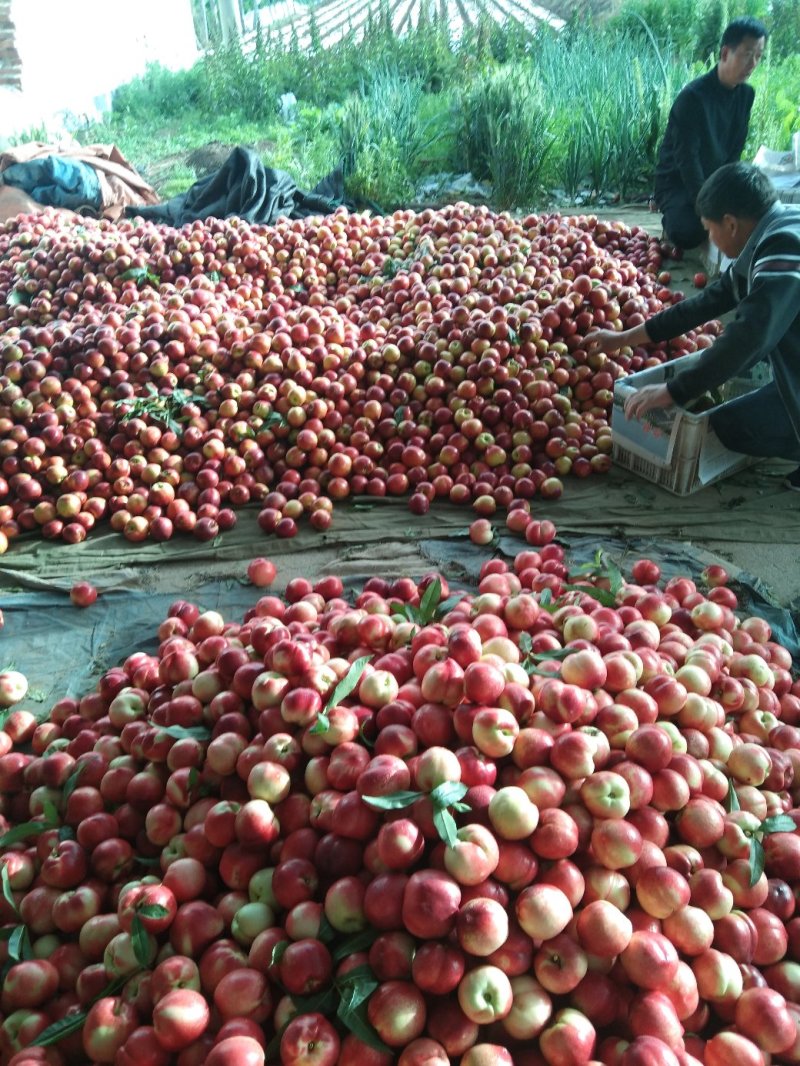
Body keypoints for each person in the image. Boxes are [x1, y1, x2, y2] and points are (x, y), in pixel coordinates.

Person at [591, 162, 800, 491]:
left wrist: (674, 390)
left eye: (708, 229)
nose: (709, 238)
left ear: (730, 224)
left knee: (732, 426)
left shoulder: (783, 249)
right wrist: (621, 338)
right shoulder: (778, 228)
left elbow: (748, 339)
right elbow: (705, 304)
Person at [654, 16, 768, 250]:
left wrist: (728, 192)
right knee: (689, 232)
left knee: (756, 216)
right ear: (726, 52)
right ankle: (668, 216)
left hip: (716, 180)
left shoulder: (746, 95)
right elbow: (687, 161)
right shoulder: (692, 98)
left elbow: (735, 151)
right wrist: (711, 206)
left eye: (758, 56)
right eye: (747, 54)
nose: (753, 63)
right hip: (680, 182)